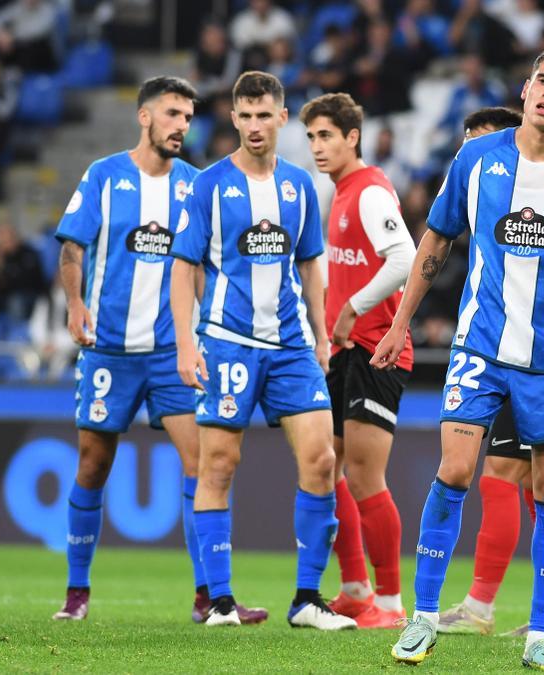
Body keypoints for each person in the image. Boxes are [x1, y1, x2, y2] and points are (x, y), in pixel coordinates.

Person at [373, 48, 544, 672]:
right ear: (526, 89)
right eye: (541, 81)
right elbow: (437, 239)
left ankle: (542, 634)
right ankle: (422, 619)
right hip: (480, 346)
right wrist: (399, 320)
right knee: (455, 467)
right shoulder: (477, 157)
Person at [51, 76, 267, 625]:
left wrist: (204, 337)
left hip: (174, 353)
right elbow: (72, 246)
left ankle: (210, 594)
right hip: (110, 350)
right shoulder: (104, 175)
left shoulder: (196, 185)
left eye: (189, 117)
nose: (182, 126)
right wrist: (75, 306)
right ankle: (77, 591)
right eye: (172, 114)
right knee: (93, 465)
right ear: (144, 117)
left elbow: (201, 267)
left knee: (204, 463)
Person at [168, 71, 353, 630]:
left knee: (321, 460)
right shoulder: (208, 184)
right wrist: (185, 343)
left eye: (262, 115)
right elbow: (183, 267)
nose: (253, 125)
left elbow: (311, 265)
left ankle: (307, 600)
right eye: (243, 116)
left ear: (281, 117)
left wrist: (322, 335)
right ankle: (221, 602)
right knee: (219, 464)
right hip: (226, 342)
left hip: (293, 346)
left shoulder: (300, 186)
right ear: (233, 118)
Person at [437, 106, 544, 640]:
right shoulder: (482, 202)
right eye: (464, 144)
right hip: (489, 349)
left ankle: (493, 607)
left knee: (521, 479)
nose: (470, 156)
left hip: (536, 357)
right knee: (522, 481)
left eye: (480, 143)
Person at [301, 92, 416, 629]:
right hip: (345, 351)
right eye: (311, 138)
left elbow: (405, 260)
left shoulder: (369, 192)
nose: (317, 147)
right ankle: (353, 588)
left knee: (367, 476)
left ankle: (390, 605)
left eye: (326, 136)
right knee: (329, 468)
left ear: (352, 137)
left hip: (377, 350)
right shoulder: (341, 194)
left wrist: (351, 308)